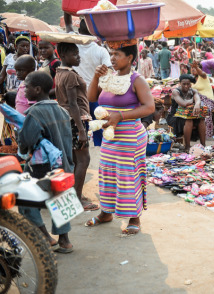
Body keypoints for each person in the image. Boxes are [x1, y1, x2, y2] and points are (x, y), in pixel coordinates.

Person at [86, 40, 154, 235]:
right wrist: (95, 76)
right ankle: (106, 212)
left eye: (117, 54)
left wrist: (120, 116)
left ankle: (134, 217)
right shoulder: (108, 77)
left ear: (130, 57)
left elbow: (149, 107)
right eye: (111, 54)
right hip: (110, 135)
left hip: (130, 136)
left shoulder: (137, 80)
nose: (112, 58)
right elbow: (92, 97)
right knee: (107, 172)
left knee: (128, 175)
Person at [18, 71, 74, 253]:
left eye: (26, 86)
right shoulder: (62, 110)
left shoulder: (34, 113)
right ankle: (65, 241)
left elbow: (26, 140)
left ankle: (45, 236)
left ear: (37, 89)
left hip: (42, 169)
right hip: (64, 165)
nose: (23, 90)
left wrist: (24, 149)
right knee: (61, 199)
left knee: (25, 199)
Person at [55, 42, 98, 211]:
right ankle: (78, 199)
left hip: (69, 119)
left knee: (75, 159)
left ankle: (75, 194)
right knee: (84, 159)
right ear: (63, 56)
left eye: (78, 53)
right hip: (75, 120)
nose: (78, 57)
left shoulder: (60, 71)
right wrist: (81, 130)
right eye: (75, 54)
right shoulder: (70, 75)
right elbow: (73, 104)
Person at [64, 12, 111, 147]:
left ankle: (84, 147)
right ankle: (98, 150)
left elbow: (68, 24)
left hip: (78, 94)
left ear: (79, 30)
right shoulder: (101, 50)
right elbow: (109, 70)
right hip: (94, 94)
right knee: (98, 125)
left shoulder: (74, 43)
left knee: (81, 126)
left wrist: (68, 7)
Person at [167, 74, 206, 152]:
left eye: (188, 84)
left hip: (189, 115)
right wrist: (193, 101)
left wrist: (197, 104)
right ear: (180, 84)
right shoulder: (176, 92)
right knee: (189, 121)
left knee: (201, 119)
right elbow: (183, 103)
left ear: (190, 84)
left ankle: (203, 145)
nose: (186, 86)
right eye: (184, 84)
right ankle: (187, 146)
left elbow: (198, 99)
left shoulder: (193, 91)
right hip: (175, 116)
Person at [191, 60, 214, 138]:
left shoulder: (204, 77)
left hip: (208, 100)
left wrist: (197, 68)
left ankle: (207, 134)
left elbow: (202, 73)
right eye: (192, 68)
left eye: (195, 68)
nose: (193, 69)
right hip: (198, 101)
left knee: (204, 110)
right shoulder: (191, 79)